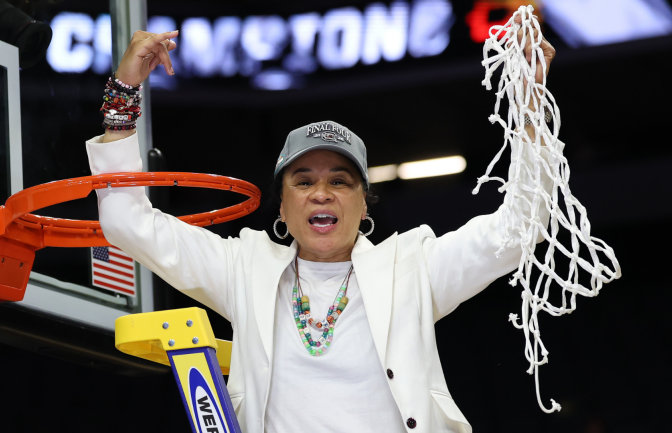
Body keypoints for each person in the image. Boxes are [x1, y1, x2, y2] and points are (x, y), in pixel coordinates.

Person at [87, 23, 556, 433]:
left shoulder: (412, 267)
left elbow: (521, 226)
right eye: (304, 181)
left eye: (340, 181)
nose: (321, 192)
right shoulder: (243, 267)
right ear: (283, 209)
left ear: (363, 205)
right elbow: (127, 221)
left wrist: (531, 105)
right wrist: (123, 91)